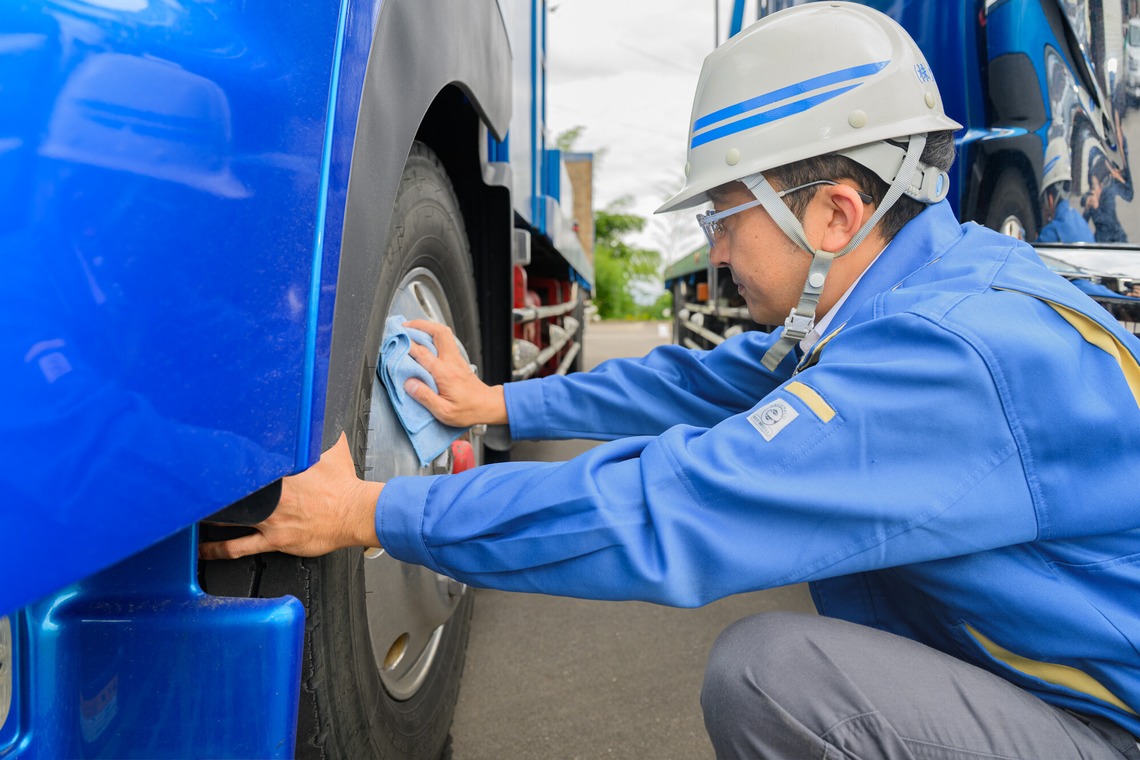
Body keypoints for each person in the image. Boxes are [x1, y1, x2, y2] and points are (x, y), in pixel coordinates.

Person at [202, 4, 1140, 758]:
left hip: (1109, 725)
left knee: (777, 677)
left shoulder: (947, 359)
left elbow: (670, 507)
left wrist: (370, 516)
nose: (714, 249)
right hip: (1057, 669)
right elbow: (702, 384)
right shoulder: (912, 292)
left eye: (727, 216)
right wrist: (497, 402)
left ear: (835, 212)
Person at [1038, 137, 1095, 243]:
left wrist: (1020, 239)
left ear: (1050, 199)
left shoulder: (1051, 233)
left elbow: (1033, 255)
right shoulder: (1082, 224)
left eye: (1043, 204)